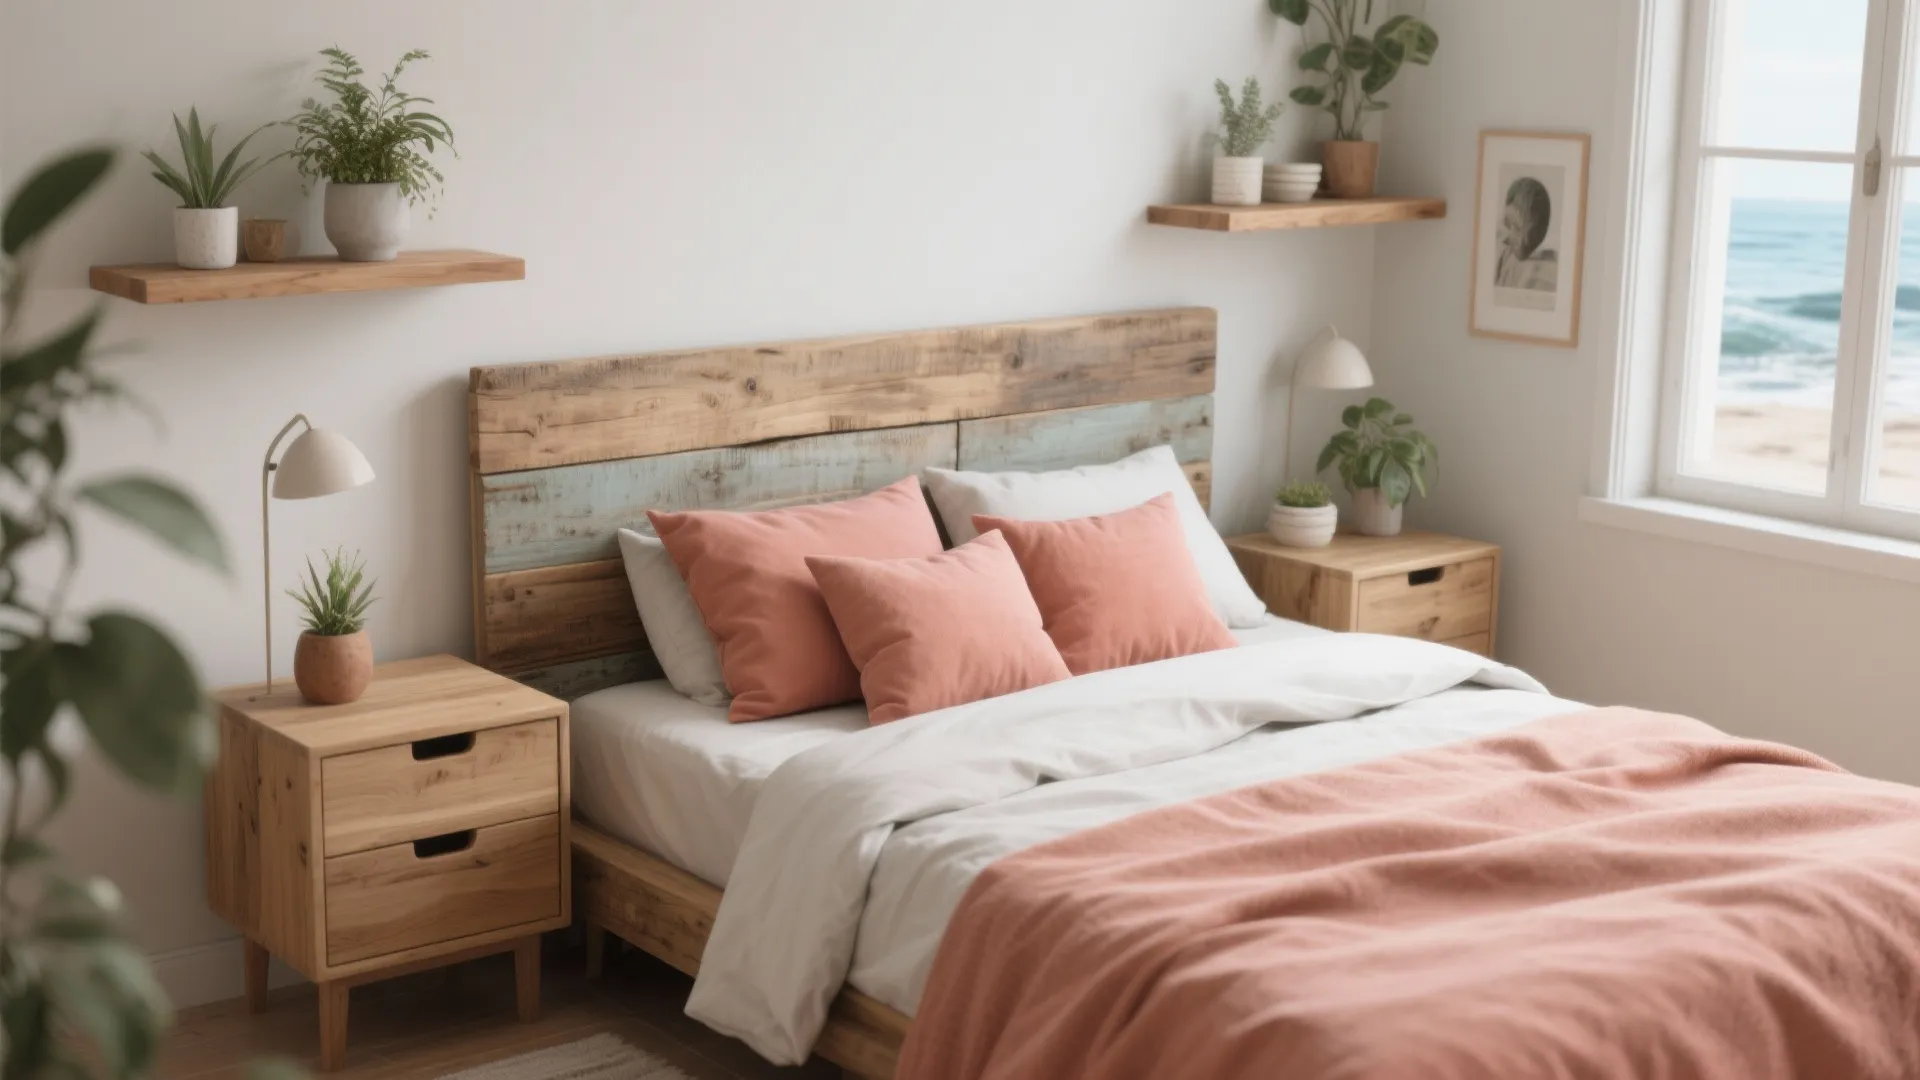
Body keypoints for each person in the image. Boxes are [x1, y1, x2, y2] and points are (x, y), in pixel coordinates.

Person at [1495, 176, 1558, 292]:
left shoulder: (1547, 272)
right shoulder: (1504, 255)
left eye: (1516, 227)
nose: (1505, 238)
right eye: (1506, 223)